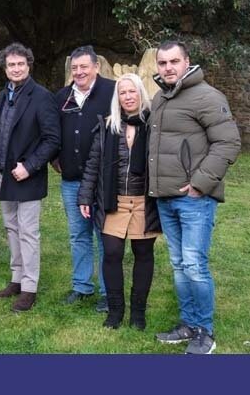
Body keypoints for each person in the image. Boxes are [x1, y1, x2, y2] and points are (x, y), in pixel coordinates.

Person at [149, 41, 240, 355]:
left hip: (194, 199)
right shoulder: (160, 98)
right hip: (165, 197)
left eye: (174, 61)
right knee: (178, 265)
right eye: (163, 63)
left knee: (194, 265)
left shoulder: (208, 97)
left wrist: (200, 184)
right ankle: (188, 324)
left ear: (187, 62)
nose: (168, 67)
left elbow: (228, 143)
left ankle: (205, 331)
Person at [78, 73, 161, 330]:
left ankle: (138, 313)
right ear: (118, 97)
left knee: (143, 254)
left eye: (132, 91)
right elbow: (93, 164)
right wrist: (85, 195)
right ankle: (115, 312)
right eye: (123, 92)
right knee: (112, 254)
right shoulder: (107, 126)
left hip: (143, 201)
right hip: (113, 201)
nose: (128, 96)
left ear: (140, 93)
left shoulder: (153, 124)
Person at [0, 44, 60, 311]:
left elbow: (52, 139)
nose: (15, 69)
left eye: (20, 64)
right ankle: (17, 278)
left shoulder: (41, 97)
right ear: (5, 69)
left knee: (28, 233)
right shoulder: (4, 95)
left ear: (29, 65)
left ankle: (30, 287)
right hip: (4, 174)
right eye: (11, 65)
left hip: (28, 176)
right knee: (11, 229)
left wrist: (30, 166)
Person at [53, 45, 115, 312]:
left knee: (104, 235)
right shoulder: (62, 97)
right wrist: (55, 158)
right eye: (74, 68)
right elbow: (52, 131)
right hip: (71, 180)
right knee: (78, 235)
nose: (79, 72)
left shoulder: (112, 92)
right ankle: (81, 286)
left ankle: (107, 290)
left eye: (84, 67)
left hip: (103, 180)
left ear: (96, 67)